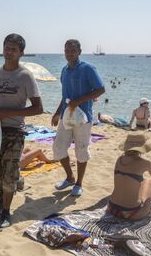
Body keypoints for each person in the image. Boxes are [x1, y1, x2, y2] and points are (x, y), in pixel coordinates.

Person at [0, 33, 43, 228]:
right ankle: (6, 189)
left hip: (15, 131)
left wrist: (6, 113)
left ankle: (5, 212)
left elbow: (38, 108)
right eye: (7, 47)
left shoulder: (25, 75)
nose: (9, 51)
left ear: (21, 53)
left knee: (9, 174)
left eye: (14, 49)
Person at [51, 39, 105, 196]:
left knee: (81, 150)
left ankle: (79, 183)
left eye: (72, 51)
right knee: (58, 147)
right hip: (65, 115)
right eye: (67, 50)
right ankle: (69, 177)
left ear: (79, 52)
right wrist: (56, 113)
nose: (69, 53)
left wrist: (78, 102)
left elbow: (101, 89)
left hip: (83, 118)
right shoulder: (64, 71)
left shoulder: (87, 68)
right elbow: (64, 96)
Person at [107, 132, 151, 220]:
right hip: (132, 213)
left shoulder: (119, 159)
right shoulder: (146, 163)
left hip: (112, 208)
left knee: (137, 181)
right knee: (148, 182)